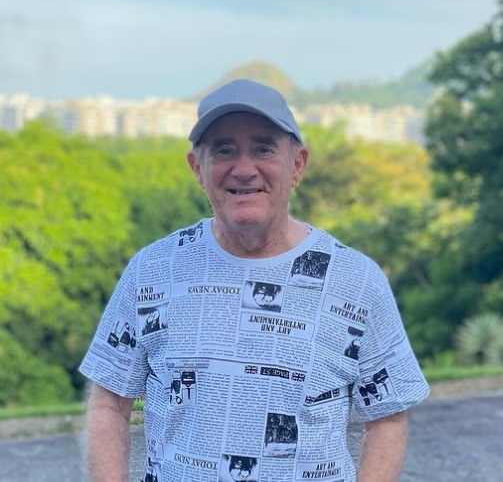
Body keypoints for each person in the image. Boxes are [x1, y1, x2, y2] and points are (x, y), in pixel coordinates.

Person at [80, 79, 429, 482]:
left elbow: (387, 416)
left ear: (297, 165)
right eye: (224, 150)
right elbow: (109, 404)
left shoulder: (357, 280)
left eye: (263, 149)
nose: (244, 169)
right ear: (197, 168)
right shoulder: (152, 269)